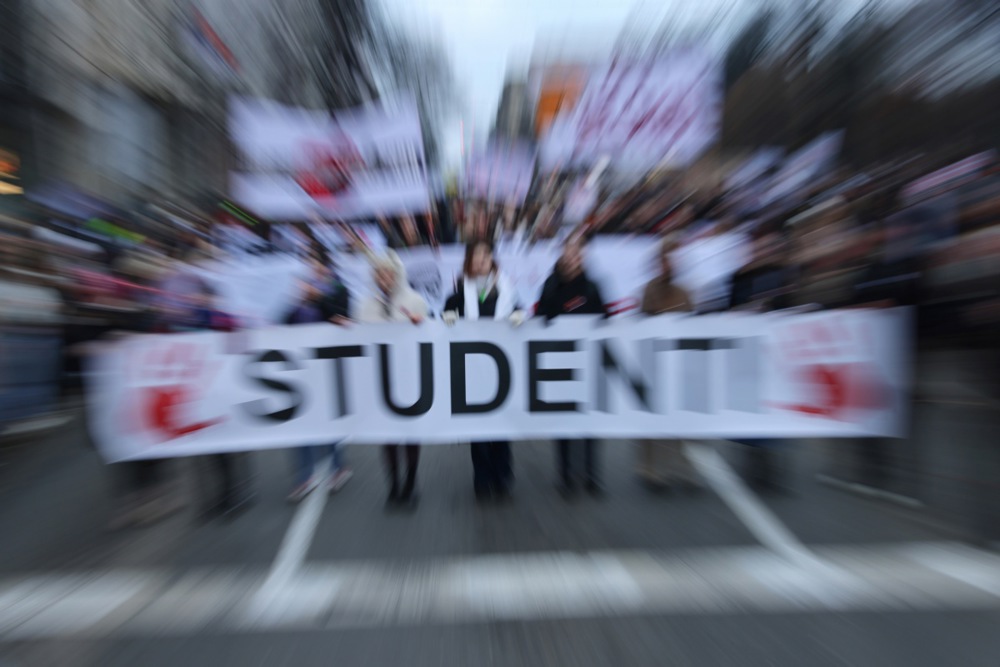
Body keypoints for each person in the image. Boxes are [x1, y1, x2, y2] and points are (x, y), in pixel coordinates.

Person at [443, 241, 526, 501]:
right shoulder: (460, 289)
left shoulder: (506, 290)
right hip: (473, 369)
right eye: (476, 255)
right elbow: (446, 312)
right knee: (478, 426)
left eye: (485, 255)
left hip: (501, 369)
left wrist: (520, 315)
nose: (481, 260)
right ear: (469, 261)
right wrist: (445, 316)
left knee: (501, 423)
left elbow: (520, 310)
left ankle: (503, 475)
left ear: (492, 259)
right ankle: (482, 477)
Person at [536, 237, 609, 497]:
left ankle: (591, 475)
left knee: (590, 425)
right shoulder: (551, 284)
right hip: (560, 365)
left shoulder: (591, 287)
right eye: (567, 255)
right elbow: (540, 317)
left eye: (576, 255)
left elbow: (605, 319)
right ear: (561, 258)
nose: (571, 260)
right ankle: (566, 476)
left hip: (586, 364)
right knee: (564, 424)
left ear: (582, 258)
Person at [357, 250, 430, 508]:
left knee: (410, 433)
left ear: (397, 274)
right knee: (387, 436)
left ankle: (411, 483)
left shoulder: (415, 301)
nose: (384, 277)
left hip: (410, 379)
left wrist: (421, 325)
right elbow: (359, 340)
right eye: (379, 273)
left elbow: (429, 336)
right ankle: (394, 485)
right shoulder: (366, 305)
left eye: (388, 272)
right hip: (379, 380)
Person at [729, 229, 795, 493]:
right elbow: (729, 310)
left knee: (777, 411)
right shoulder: (740, 277)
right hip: (749, 352)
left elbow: (791, 306)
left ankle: (773, 472)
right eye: (759, 247)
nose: (763, 252)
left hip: (776, 353)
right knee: (752, 412)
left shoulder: (784, 276)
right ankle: (754, 466)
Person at [283, 265, 354, 502]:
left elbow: (339, 315)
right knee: (301, 425)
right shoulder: (296, 308)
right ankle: (305, 477)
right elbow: (281, 325)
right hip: (300, 374)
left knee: (326, 423)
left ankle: (337, 469)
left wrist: (318, 298)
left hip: (325, 372)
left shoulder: (335, 292)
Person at [638, 237, 697, 492]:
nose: (669, 264)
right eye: (666, 259)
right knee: (653, 420)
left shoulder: (685, 292)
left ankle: (685, 470)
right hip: (655, 362)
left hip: (679, 364)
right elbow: (642, 324)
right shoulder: (650, 290)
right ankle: (649, 469)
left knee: (683, 420)